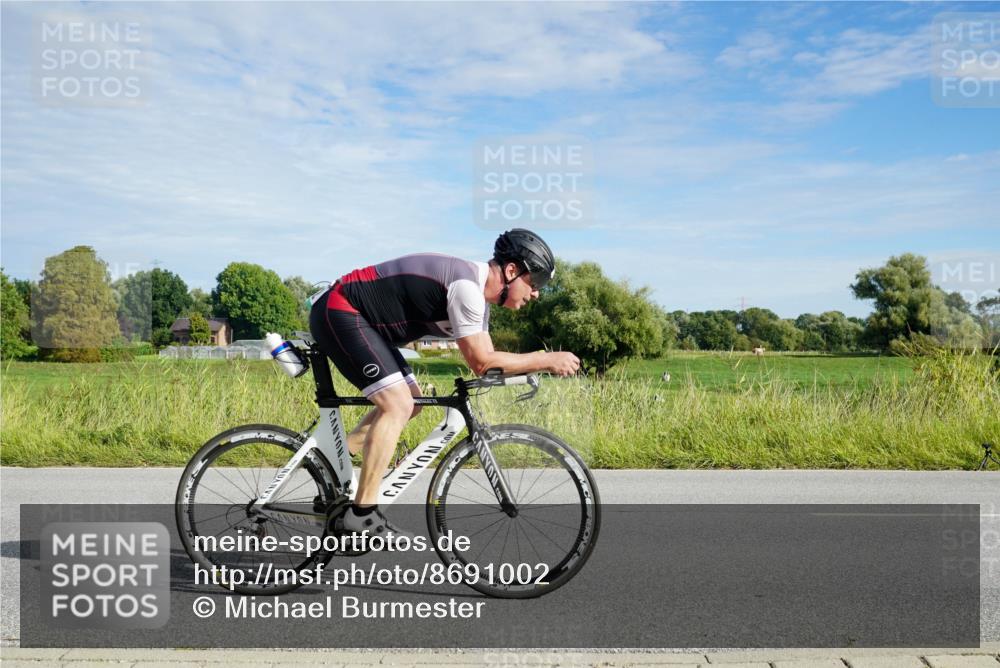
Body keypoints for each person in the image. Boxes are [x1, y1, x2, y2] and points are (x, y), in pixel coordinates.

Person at [308, 228, 580, 541]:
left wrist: (527, 369)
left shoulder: (477, 300)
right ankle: (362, 515)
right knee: (398, 405)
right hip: (340, 309)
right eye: (535, 283)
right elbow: (482, 362)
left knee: (412, 403)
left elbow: (488, 363)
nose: (536, 294)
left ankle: (329, 463)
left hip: (362, 322)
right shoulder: (467, 288)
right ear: (511, 271)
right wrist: (545, 360)